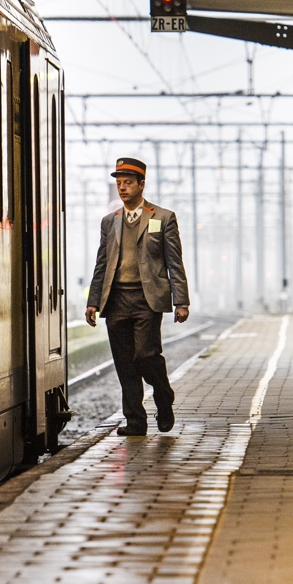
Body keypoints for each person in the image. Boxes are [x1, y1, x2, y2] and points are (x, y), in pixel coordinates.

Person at [86, 157, 190, 436]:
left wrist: (182, 300)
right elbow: (102, 263)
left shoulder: (163, 218)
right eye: (119, 183)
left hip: (147, 299)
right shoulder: (110, 221)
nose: (122, 188)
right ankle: (135, 421)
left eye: (128, 182)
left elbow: (174, 262)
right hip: (116, 299)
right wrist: (93, 301)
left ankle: (163, 394)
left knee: (146, 355)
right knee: (124, 363)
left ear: (142, 184)